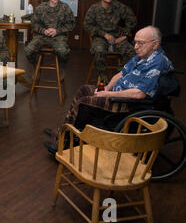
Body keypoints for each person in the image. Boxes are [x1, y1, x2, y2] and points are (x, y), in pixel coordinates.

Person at [43, 26, 174, 155]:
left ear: (155, 44)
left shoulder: (158, 62)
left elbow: (139, 94)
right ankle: (65, 131)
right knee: (84, 89)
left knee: (85, 102)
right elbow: (120, 74)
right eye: (135, 42)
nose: (135, 47)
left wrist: (108, 94)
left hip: (130, 103)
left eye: (141, 43)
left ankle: (66, 143)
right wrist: (106, 88)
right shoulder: (142, 56)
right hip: (117, 93)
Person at [84, 0, 137, 82]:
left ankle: (118, 75)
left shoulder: (119, 7)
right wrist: (104, 34)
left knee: (133, 53)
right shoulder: (94, 8)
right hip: (100, 38)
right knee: (98, 51)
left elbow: (132, 19)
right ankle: (103, 75)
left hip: (117, 38)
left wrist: (125, 35)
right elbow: (87, 25)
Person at [24, 0, 75, 67]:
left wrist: (57, 31)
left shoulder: (65, 7)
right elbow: (34, 24)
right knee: (28, 50)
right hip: (41, 36)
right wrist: (43, 31)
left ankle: (62, 67)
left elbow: (71, 24)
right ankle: (37, 66)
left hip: (58, 37)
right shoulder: (41, 8)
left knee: (63, 52)